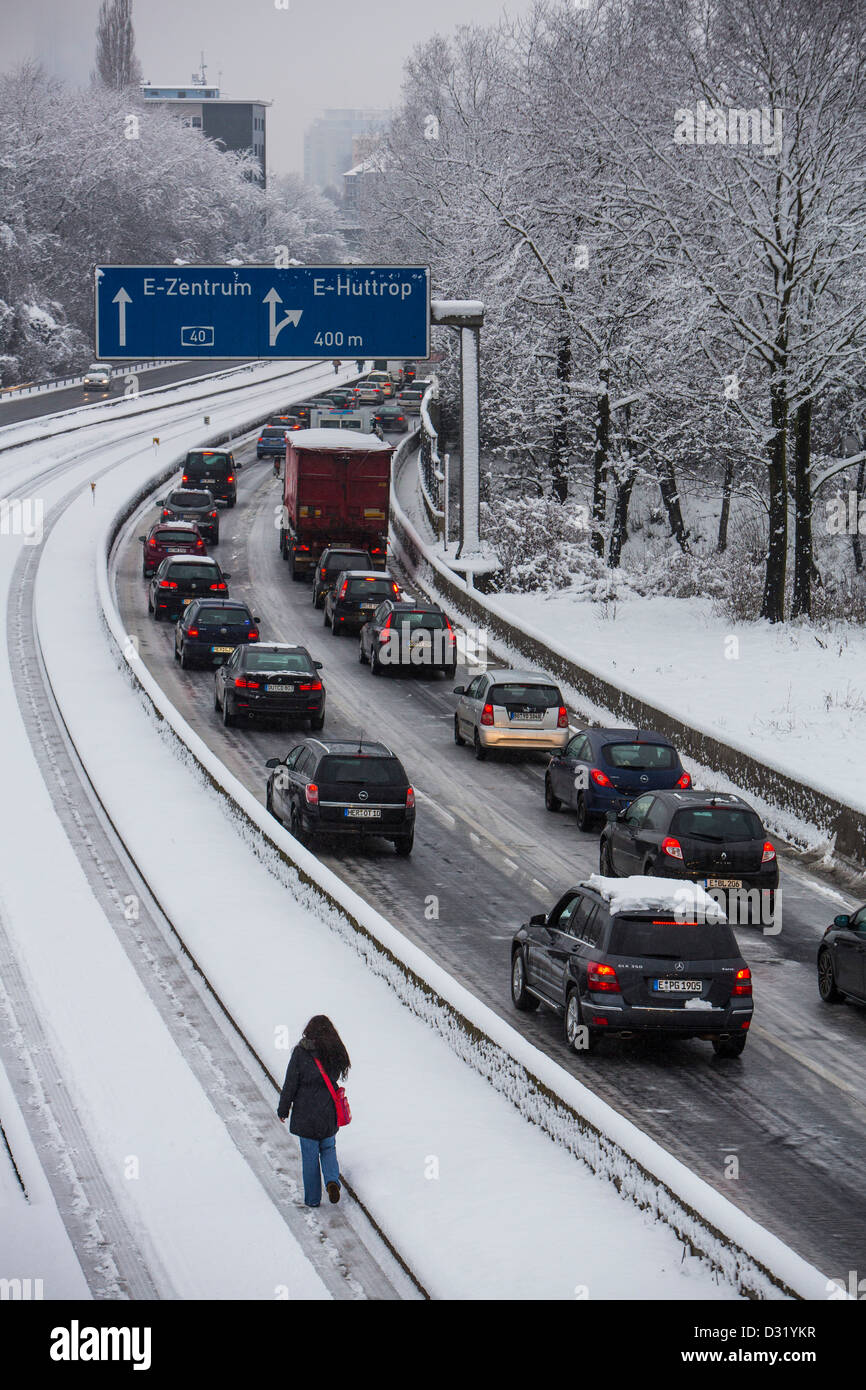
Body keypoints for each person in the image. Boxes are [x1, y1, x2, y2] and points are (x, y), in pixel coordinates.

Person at [277, 1015, 350, 1207]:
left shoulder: (301, 1053)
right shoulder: (334, 1052)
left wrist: (283, 1109)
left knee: (310, 1158)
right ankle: (332, 1180)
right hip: (328, 1112)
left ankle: (312, 1199)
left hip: (305, 1113)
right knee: (328, 1148)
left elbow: (290, 1084)